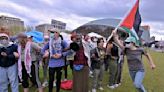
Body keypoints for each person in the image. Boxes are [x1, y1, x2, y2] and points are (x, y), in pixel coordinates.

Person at [42, 28, 69, 92]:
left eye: (52, 32)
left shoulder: (62, 42)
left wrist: (61, 55)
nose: (51, 34)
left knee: (58, 79)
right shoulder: (49, 42)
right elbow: (42, 50)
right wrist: (46, 53)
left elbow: (70, 51)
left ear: (57, 33)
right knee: (51, 79)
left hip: (60, 63)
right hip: (51, 64)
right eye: (50, 32)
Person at [0, 27, 19, 92]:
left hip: (12, 65)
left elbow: (16, 55)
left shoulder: (13, 46)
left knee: (13, 81)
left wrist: (8, 55)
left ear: (8, 38)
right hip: (1, 66)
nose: (3, 40)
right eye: (2, 38)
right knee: (2, 82)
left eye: (5, 38)